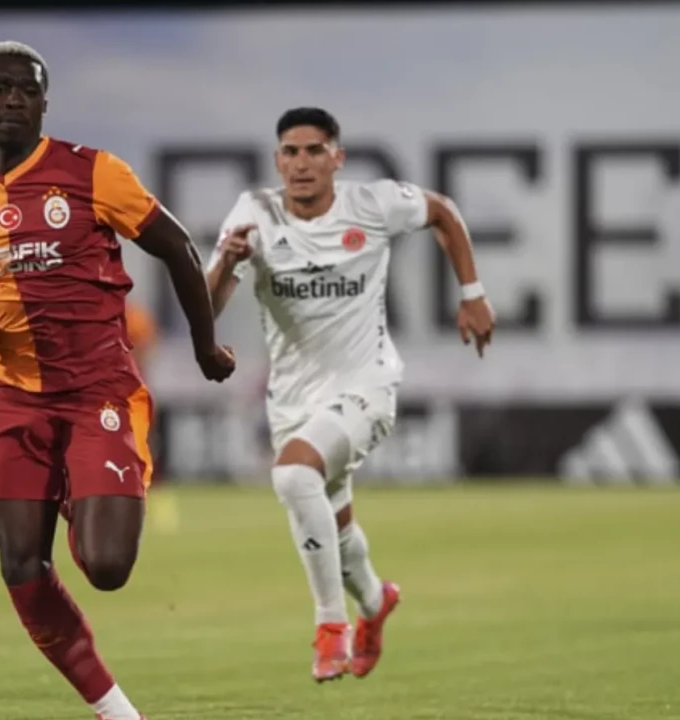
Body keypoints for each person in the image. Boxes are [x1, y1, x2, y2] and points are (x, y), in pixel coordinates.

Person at [0, 41, 235, 720]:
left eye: (27, 89)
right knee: (19, 562)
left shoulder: (93, 173)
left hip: (98, 392)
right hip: (13, 398)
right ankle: (118, 713)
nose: (13, 100)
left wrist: (205, 346)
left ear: (44, 103)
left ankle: (72, 488)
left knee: (107, 568)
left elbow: (177, 247)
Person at [205, 107, 495, 683]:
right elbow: (206, 309)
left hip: (368, 384)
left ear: (337, 158)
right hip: (293, 400)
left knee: (294, 476)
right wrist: (225, 265)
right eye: (290, 152)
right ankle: (375, 601)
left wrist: (473, 292)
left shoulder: (373, 205)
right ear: (277, 161)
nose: (302, 163)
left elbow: (442, 211)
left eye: (315, 150)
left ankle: (330, 624)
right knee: (332, 527)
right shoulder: (253, 213)